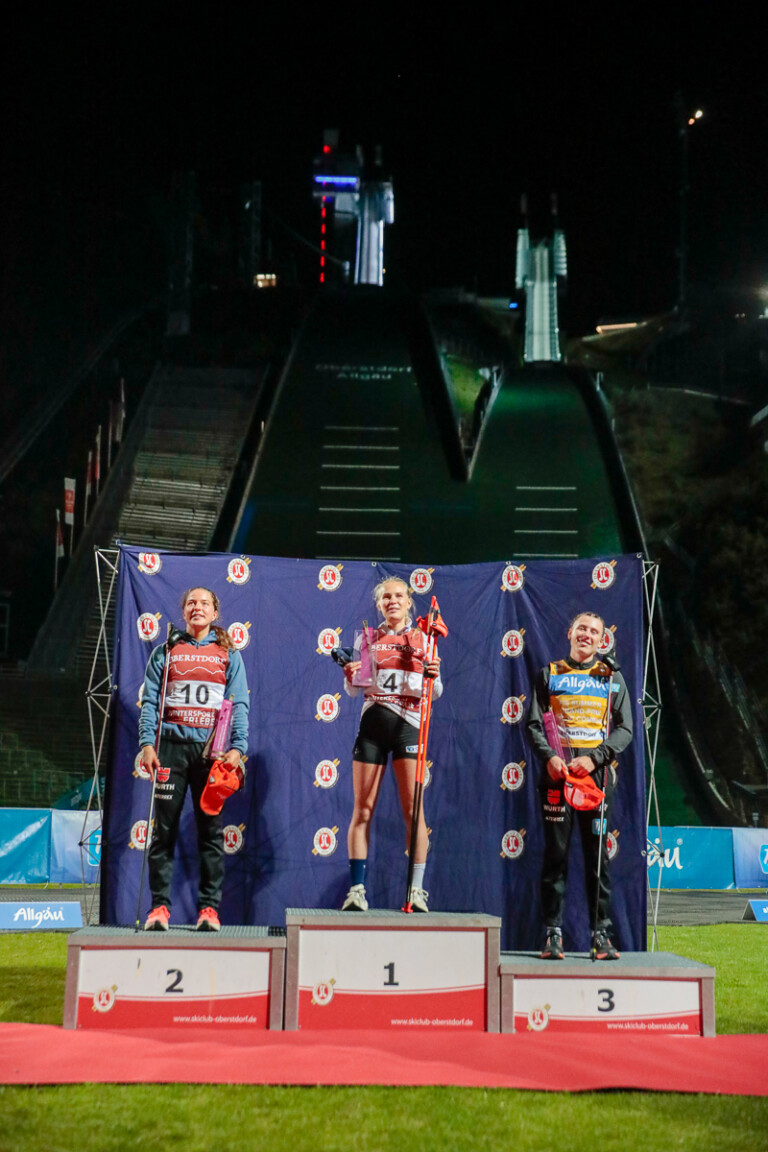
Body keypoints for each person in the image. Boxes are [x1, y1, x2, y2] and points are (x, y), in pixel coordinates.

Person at [139, 586, 249, 931]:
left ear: (215, 613)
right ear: (183, 612)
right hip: (170, 749)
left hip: (211, 754)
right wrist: (146, 744)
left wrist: (239, 747)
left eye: (204, 602)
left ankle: (209, 910)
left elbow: (240, 703)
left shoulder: (228, 653)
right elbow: (151, 703)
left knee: (210, 833)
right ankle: (159, 909)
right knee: (164, 832)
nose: (196, 607)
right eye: (191, 603)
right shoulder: (167, 651)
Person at [526, 611, 633, 960]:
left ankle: (601, 935)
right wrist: (549, 758)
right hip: (557, 777)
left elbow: (625, 729)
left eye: (594, 631)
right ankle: (552, 934)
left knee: (598, 860)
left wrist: (594, 758)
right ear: (570, 633)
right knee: (555, 856)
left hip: (596, 780)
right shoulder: (549, 674)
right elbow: (532, 724)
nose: (587, 635)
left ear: (603, 640)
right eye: (582, 628)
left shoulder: (611, 678)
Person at [338, 577, 442, 913]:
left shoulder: (425, 637)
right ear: (379, 603)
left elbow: (436, 691)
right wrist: (351, 674)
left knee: (413, 813)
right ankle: (356, 890)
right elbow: (356, 689)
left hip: (408, 728)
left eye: (399, 596)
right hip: (372, 727)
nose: (392, 601)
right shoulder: (367, 638)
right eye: (386, 597)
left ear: (410, 602)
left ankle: (416, 891)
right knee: (362, 810)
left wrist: (430, 675)